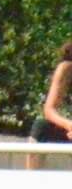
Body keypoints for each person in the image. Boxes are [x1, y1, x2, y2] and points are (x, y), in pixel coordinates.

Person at [24, 42, 72, 170]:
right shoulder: (66, 69)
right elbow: (49, 110)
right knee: (41, 127)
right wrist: (68, 125)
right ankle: (32, 182)